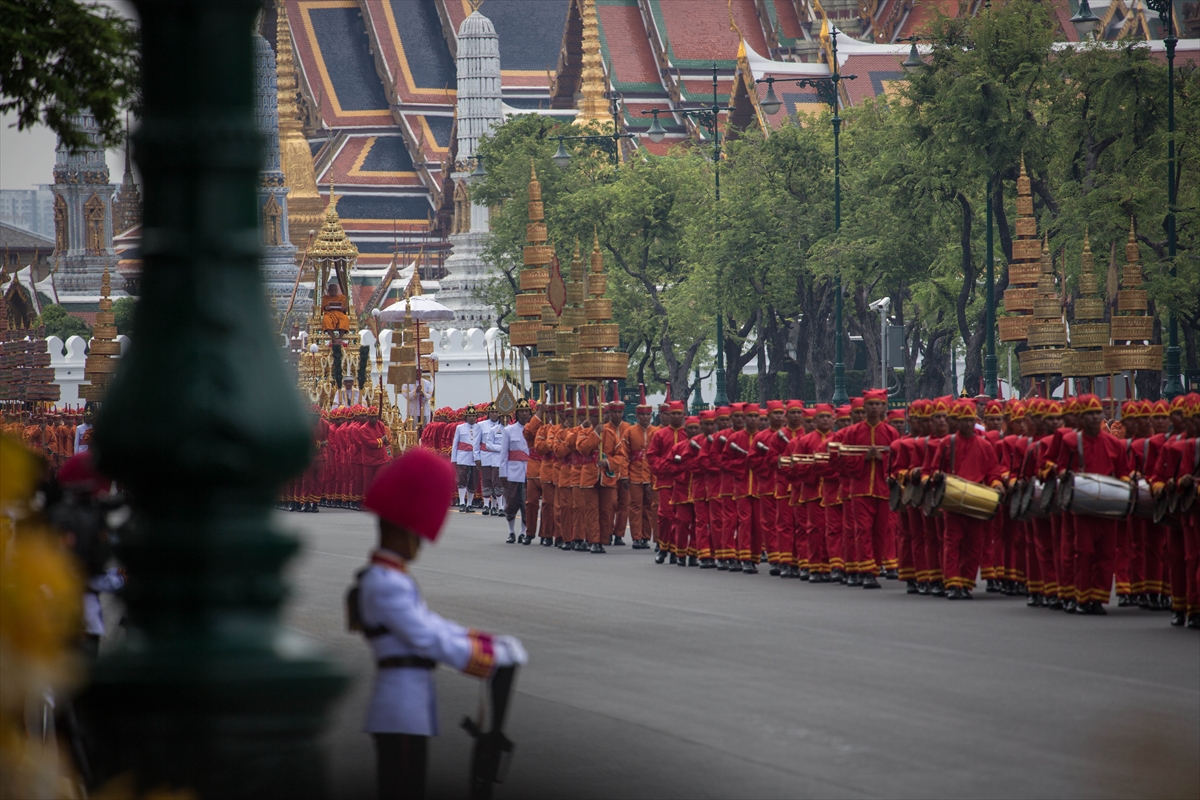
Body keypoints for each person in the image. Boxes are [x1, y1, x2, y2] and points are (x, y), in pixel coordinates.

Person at [356, 448, 527, 800]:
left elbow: (431, 625)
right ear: (400, 530)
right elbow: (426, 637)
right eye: (415, 534)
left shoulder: (391, 578)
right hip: (400, 707)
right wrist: (485, 657)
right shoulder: (385, 583)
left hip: (408, 703)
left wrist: (485, 641)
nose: (419, 542)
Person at [621, 388, 656, 549]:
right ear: (637, 416)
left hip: (651, 476)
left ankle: (645, 536)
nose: (645, 417)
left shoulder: (657, 432)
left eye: (648, 415)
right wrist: (624, 475)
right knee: (635, 507)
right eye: (642, 415)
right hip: (634, 474)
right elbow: (624, 455)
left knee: (649, 507)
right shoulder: (630, 432)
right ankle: (636, 537)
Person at [499, 399, 533, 544]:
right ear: (516, 414)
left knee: (527, 504)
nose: (524, 414)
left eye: (527, 411)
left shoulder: (535, 429)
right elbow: (503, 454)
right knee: (511, 503)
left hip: (530, 471)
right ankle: (511, 531)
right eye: (522, 411)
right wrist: (503, 474)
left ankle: (523, 532)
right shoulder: (508, 430)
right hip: (513, 472)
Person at [451, 405, 482, 512]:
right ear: (466, 417)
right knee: (462, 479)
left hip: (474, 457)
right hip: (463, 456)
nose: (472, 418)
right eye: (469, 416)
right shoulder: (460, 428)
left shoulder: (479, 427)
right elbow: (455, 444)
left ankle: (469, 503)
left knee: (473, 480)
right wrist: (453, 459)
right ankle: (462, 502)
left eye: (473, 416)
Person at [478, 403, 504, 516]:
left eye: (496, 412)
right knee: (487, 481)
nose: (494, 414)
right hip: (485, 456)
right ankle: (486, 505)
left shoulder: (505, 427)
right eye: (492, 412)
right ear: (488, 413)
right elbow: (476, 443)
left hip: (498, 459)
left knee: (497, 481)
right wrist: (476, 457)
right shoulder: (481, 425)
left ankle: (495, 506)